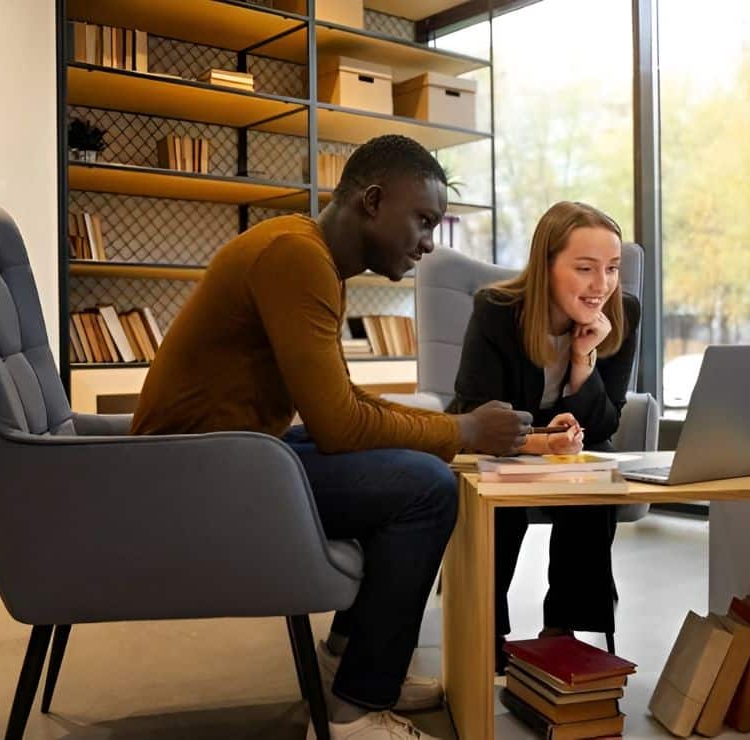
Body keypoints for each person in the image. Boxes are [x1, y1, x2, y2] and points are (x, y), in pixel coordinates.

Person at [132, 135, 531, 739]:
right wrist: (464, 429)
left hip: (227, 456)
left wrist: (451, 431)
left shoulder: (310, 254)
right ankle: (356, 710)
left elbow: (340, 403)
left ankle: (349, 657)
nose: (429, 244)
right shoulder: (296, 258)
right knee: (425, 487)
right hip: (195, 472)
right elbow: (340, 428)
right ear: (373, 201)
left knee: (405, 461)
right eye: (423, 221)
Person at [446, 200, 640, 672]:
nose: (602, 285)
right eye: (585, 269)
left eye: (612, 269)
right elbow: (478, 416)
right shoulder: (496, 311)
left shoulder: (621, 313)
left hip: (568, 450)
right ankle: (487, 627)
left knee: (596, 483)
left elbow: (606, 421)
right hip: (495, 445)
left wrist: (582, 363)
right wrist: (539, 443)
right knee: (505, 494)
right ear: (547, 265)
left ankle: (562, 630)